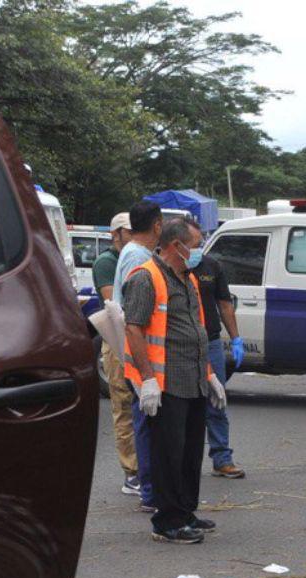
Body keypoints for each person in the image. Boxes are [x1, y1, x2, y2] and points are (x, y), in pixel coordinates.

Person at [122, 218, 227, 544]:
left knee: (190, 451)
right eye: (194, 245)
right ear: (174, 246)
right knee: (168, 453)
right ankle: (167, 522)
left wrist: (209, 375)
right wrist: (148, 380)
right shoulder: (145, 278)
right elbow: (134, 329)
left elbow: (196, 332)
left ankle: (185, 511)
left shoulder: (188, 278)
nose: (198, 252)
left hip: (192, 378)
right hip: (165, 382)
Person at [114, 200, 163, 513]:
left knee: (144, 420)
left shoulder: (136, 253)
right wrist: (147, 376)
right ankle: (148, 489)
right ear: (157, 225)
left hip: (139, 353)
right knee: (144, 422)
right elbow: (136, 320)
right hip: (140, 356)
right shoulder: (138, 258)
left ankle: (150, 487)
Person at [91, 212, 140, 496]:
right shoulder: (107, 262)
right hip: (116, 338)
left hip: (136, 338)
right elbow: (114, 301)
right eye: (128, 231)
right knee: (122, 404)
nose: (132, 236)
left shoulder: (135, 256)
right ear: (116, 234)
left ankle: (143, 465)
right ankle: (130, 472)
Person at [194, 251, 246, 479]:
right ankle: (184, 460)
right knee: (185, 403)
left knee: (217, 399)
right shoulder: (168, 266)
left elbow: (224, 304)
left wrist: (236, 338)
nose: (196, 249)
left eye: (198, 244)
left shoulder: (212, 266)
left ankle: (222, 458)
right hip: (181, 341)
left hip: (211, 341)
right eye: (192, 244)